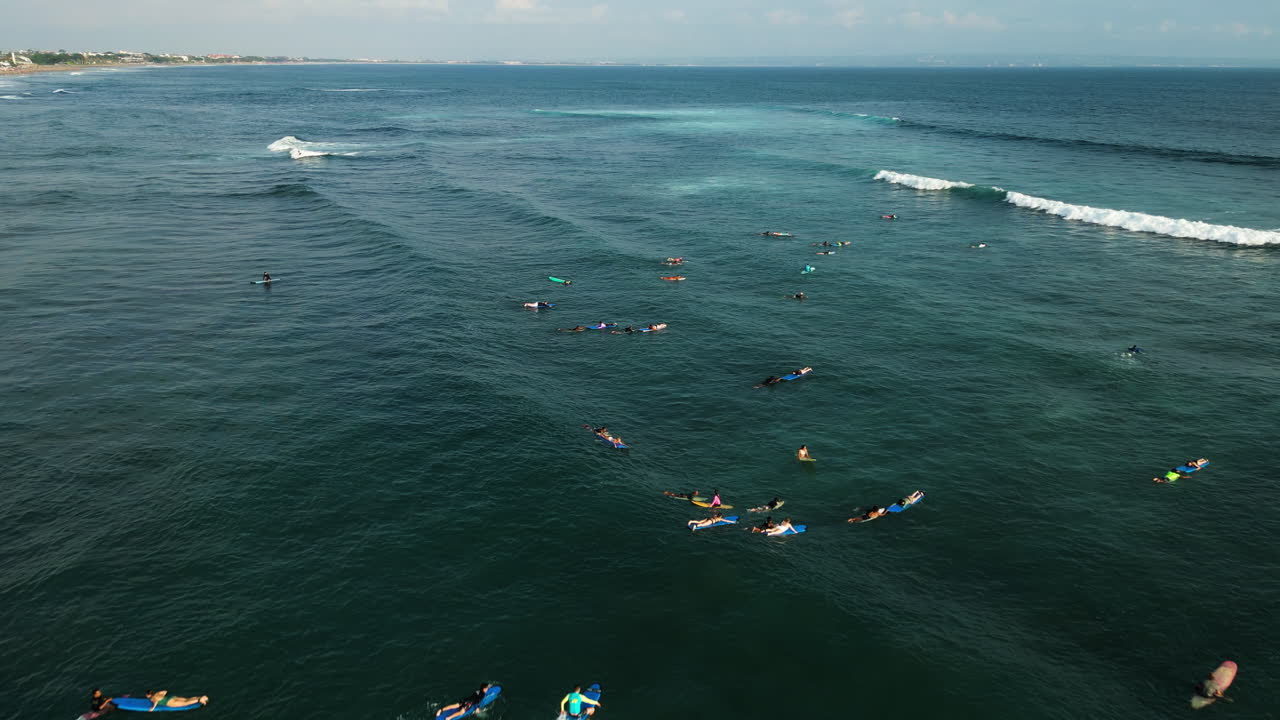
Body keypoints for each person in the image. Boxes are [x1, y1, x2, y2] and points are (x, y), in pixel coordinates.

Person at [142, 691, 208, 711]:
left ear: (149, 695)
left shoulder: (152, 698)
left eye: (146, 695)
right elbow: (165, 691)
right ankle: (200, 697)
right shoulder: (157, 693)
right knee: (186, 699)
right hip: (171, 698)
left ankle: (200, 699)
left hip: (169, 702)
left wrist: (152, 708)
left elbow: (155, 701)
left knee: (185, 703)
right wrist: (161, 697)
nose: (146, 696)